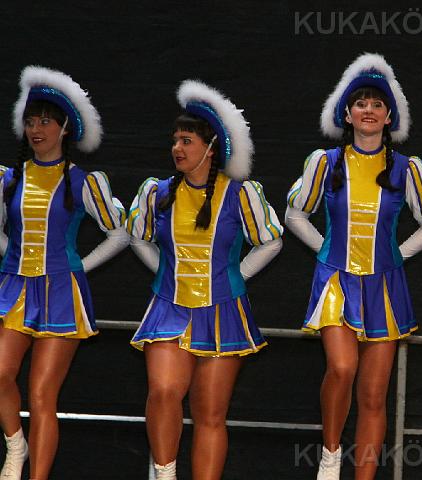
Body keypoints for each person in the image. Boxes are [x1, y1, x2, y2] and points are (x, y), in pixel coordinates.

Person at [285, 53, 422, 480]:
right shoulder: (325, 162)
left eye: (376, 104)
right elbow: (295, 214)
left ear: (389, 116)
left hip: (384, 288)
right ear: (347, 114)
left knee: (373, 395)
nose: (368, 110)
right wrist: (325, 251)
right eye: (360, 104)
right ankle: (330, 455)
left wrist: (397, 256)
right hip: (335, 281)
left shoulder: (407, 168)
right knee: (342, 368)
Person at [126, 80, 283, 480]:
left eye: (186, 141)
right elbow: (137, 237)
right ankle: (164, 474)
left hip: (223, 312)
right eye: (175, 141)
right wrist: (166, 271)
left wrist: (235, 276)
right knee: (163, 391)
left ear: (211, 148)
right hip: (169, 307)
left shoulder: (241, 194)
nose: (177, 148)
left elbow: (270, 241)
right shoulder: (157, 193)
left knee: (210, 413)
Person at [0, 66, 129, 480]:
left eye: (45, 122)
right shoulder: (9, 179)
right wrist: (13, 257)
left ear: (65, 128)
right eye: (30, 122)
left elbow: (120, 233)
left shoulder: (82, 182)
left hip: (61, 294)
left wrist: (77, 267)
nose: (36, 130)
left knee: (41, 394)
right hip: (13, 287)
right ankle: (15, 446)